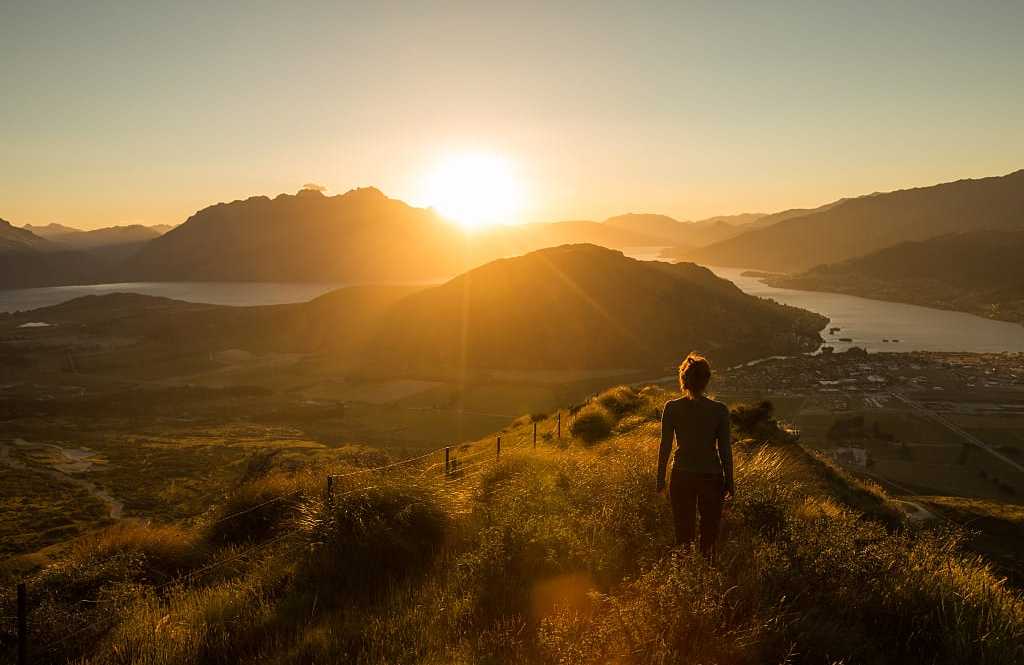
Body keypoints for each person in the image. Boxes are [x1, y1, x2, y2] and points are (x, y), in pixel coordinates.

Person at [657, 352, 734, 559]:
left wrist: (660, 480)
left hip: (681, 475)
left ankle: (685, 577)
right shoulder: (719, 411)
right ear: (706, 380)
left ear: (683, 380)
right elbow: (725, 449)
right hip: (712, 476)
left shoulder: (672, 408)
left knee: (683, 534)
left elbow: (665, 446)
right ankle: (706, 579)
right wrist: (730, 481)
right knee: (709, 535)